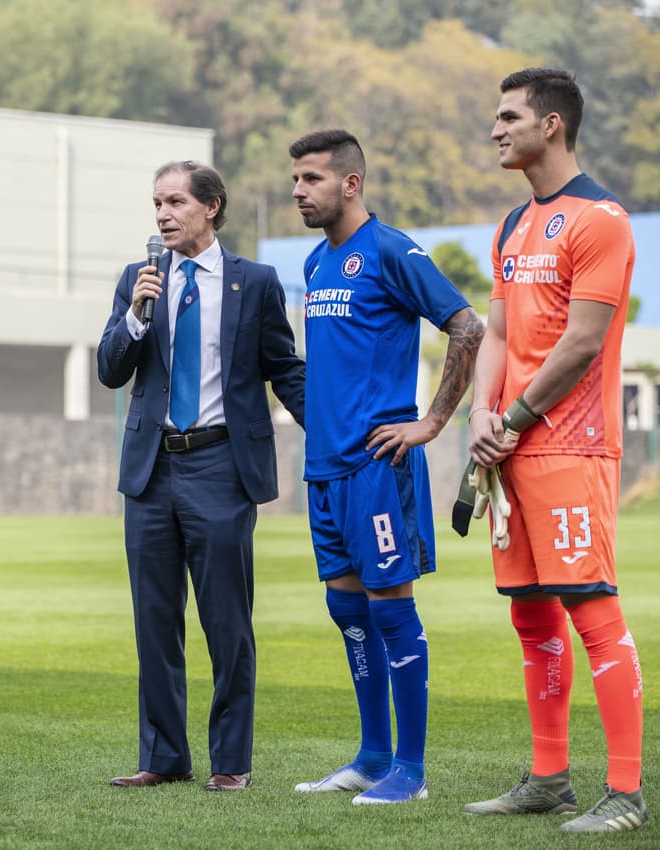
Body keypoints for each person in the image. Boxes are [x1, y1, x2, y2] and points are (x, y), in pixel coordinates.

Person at [462, 67, 646, 833]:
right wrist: (480, 411)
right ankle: (547, 777)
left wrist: (515, 416)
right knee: (531, 618)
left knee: (592, 610)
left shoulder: (602, 220)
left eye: (510, 117)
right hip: (510, 450)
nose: (496, 129)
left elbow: (583, 340)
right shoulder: (510, 226)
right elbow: (497, 334)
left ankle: (627, 793)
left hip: (571, 446)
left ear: (553, 126)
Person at [288, 130, 484, 804]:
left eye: (311, 178)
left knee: (392, 610)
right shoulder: (315, 264)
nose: (297, 191)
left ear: (350, 182)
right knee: (346, 608)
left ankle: (412, 769)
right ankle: (371, 756)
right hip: (324, 469)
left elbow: (467, 326)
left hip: (378, 466)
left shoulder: (394, 249)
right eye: (295, 179)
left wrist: (430, 422)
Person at [97, 160, 305, 792]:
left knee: (226, 622)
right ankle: (162, 757)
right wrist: (136, 315)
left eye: (176, 202)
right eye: (156, 203)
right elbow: (110, 368)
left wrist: (333, 431)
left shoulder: (257, 283)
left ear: (211, 206)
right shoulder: (139, 280)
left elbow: (284, 368)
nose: (163, 214)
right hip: (152, 468)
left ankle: (231, 763)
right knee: (154, 621)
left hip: (221, 464)